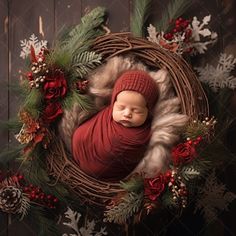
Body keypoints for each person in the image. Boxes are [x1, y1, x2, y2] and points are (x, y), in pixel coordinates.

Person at [72, 70, 159, 181]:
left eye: (136, 111)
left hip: (103, 171)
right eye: (121, 107)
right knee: (79, 135)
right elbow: (89, 127)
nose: (127, 114)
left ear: (148, 112)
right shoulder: (106, 114)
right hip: (81, 147)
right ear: (113, 103)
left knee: (105, 157)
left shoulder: (143, 135)